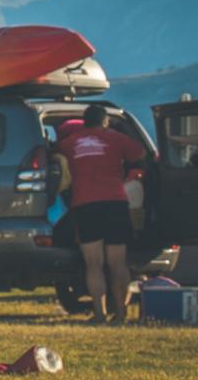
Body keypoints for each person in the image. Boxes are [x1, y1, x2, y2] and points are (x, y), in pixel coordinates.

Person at [56, 105, 146, 323]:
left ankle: (99, 313)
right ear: (105, 121)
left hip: (85, 204)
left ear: (85, 122)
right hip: (115, 203)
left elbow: (54, 155)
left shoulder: (70, 143)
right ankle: (122, 314)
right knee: (118, 263)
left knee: (93, 264)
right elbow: (142, 154)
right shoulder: (115, 138)